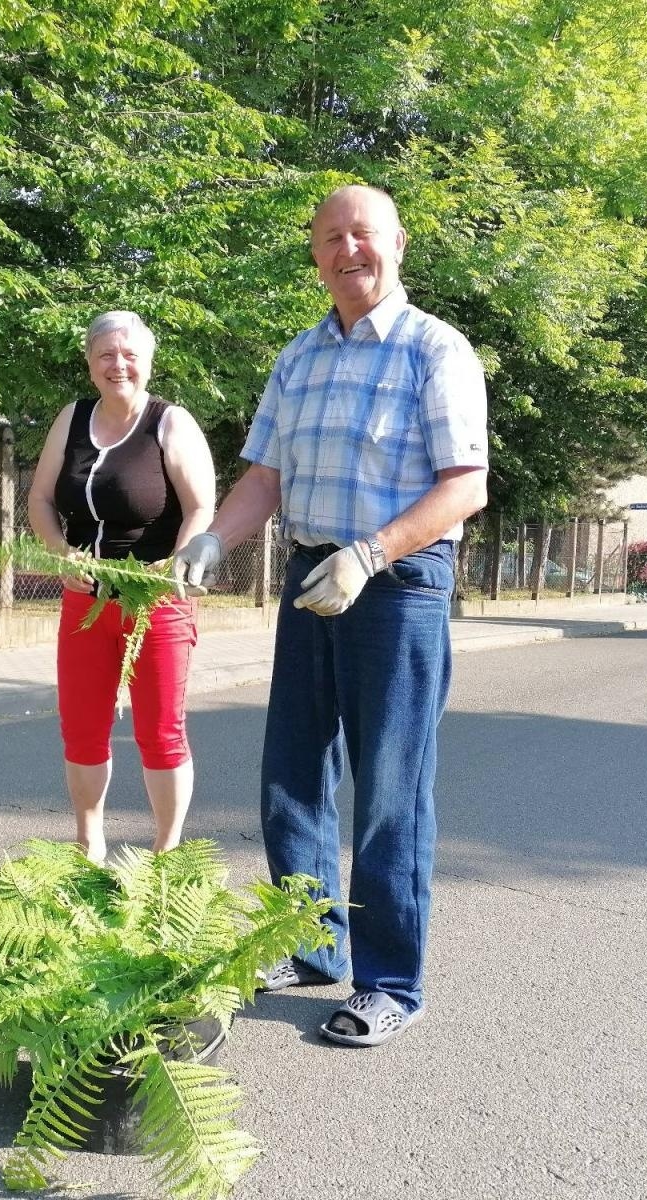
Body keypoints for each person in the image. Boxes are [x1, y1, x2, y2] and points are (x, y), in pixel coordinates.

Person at [173, 185, 489, 1047]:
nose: (348, 250)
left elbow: (466, 485)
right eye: (330, 238)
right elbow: (266, 479)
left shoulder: (436, 350)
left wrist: (372, 554)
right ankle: (311, 946)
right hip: (313, 576)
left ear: (397, 245)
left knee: (390, 788)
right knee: (294, 773)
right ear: (314, 254)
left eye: (364, 235)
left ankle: (390, 980)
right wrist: (212, 540)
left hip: (398, 583)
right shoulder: (300, 357)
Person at [28, 311, 216, 863]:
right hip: (85, 601)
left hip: (156, 598)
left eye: (130, 353)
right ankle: (89, 842)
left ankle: (166, 853)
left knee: (160, 731)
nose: (119, 365)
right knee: (82, 727)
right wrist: (61, 554)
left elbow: (201, 506)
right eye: (106, 354)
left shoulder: (170, 423)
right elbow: (40, 499)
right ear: (90, 362)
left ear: (149, 360)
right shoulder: (71, 418)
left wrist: (177, 564)